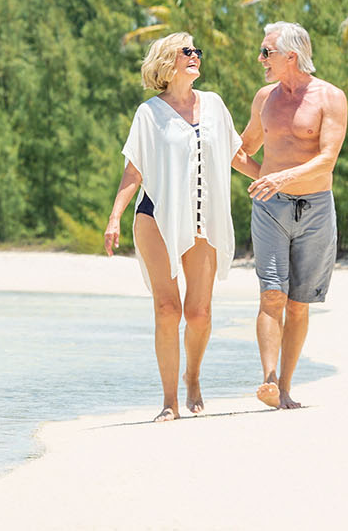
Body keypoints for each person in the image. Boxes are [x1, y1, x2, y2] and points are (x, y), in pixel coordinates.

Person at [104, 31, 262, 422]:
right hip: (155, 217)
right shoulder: (149, 113)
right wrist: (114, 218)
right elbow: (133, 169)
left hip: (202, 219)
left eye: (197, 52)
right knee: (166, 308)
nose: (196, 57)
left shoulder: (214, 106)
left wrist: (272, 181)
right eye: (186, 51)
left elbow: (236, 155)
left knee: (200, 313)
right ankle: (169, 401)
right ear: (166, 61)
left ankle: (193, 377)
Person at [240, 21, 348, 410]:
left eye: (266, 52)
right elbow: (241, 150)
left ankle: (285, 388)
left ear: (291, 56)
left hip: (316, 208)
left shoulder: (330, 97)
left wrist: (282, 175)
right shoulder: (264, 98)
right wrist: (265, 180)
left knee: (299, 302)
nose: (260, 59)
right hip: (270, 209)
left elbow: (327, 159)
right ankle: (268, 380)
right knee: (272, 293)